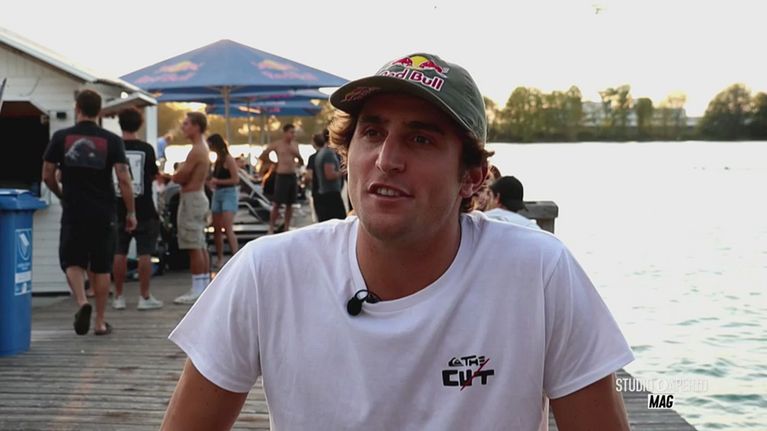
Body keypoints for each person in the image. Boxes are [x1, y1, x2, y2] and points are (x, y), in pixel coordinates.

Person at [162, 53, 633, 430]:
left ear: (472, 177)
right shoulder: (266, 272)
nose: (387, 159)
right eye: (372, 132)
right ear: (348, 153)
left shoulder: (538, 272)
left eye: (420, 139)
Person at [42, 89, 136, 336]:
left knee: (72, 261)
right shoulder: (112, 140)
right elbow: (124, 179)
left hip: (74, 209)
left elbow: (47, 175)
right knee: (102, 267)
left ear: (77, 108)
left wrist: (61, 194)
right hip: (104, 212)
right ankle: (100, 322)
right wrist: (131, 212)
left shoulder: (61, 137)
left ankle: (83, 301)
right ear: (100, 111)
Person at [112, 108, 164, 311]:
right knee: (145, 253)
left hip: (117, 207)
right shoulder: (147, 149)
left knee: (119, 252)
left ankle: (118, 296)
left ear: (120, 124)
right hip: (145, 207)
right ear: (139, 125)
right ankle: (144, 296)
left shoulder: (113, 147)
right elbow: (153, 175)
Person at [172, 112, 211, 305]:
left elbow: (180, 177)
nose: (183, 127)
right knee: (200, 243)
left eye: (186, 124)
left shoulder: (196, 150)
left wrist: (176, 172)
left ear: (196, 126)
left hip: (192, 198)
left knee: (193, 245)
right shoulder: (203, 148)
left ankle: (197, 290)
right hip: (198, 197)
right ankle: (203, 286)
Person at [258, 124, 303, 234]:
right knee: (277, 203)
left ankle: (286, 226)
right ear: (285, 133)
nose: (293, 135)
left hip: (292, 175)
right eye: (291, 132)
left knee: (290, 203)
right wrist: (273, 163)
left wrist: (296, 156)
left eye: (294, 132)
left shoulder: (295, 145)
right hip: (281, 175)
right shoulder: (278, 144)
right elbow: (263, 155)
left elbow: (301, 161)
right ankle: (271, 227)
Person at [207, 133, 240, 269]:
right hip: (218, 193)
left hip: (228, 193)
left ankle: (236, 256)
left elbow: (236, 179)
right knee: (216, 229)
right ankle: (220, 258)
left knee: (227, 227)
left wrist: (218, 181)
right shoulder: (217, 160)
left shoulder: (228, 159)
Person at [314, 130, 347, 221]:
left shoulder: (321, 152)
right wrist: (345, 170)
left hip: (325, 193)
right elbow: (330, 175)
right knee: (341, 222)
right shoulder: (328, 154)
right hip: (331, 195)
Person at [304, 132, 324, 221]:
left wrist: (305, 184)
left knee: (320, 218)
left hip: (317, 190)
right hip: (332, 191)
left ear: (314, 143)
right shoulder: (331, 154)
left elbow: (309, 176)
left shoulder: (313, 157)